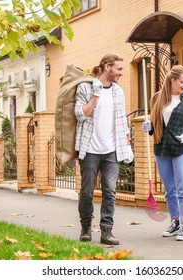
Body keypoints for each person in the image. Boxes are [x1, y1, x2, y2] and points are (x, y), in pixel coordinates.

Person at [74, 53, 132, 245]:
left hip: (111, 150)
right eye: (119, 69)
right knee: (87, 191)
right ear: (107, 67)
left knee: (110, 191)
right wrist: (96, 94)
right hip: (89, 149)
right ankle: (86, 228)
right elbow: (81, 114)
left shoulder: (118, 92)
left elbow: (121, 121)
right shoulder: (85, 87)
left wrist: (126, 145)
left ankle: (106, 231)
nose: (121, 73)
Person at [142, 65, 183, 241]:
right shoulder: (158, 99)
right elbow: (155, 125)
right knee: (169, 189)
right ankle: (175, 221)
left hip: (181, 149)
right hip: (162, 149)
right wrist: (149, 127)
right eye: (182, 82)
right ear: (172, 80)